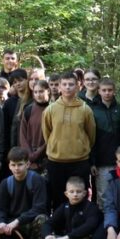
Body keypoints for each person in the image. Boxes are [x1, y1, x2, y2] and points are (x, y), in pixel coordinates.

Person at [43, 71, 97, 210]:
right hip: (56, 161)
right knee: (57, 197)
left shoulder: (85, 109)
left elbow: (91, 135)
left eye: (71, 84)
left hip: (79, 161)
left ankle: (80, 228)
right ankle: (59, 228)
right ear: (59, 87)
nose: (68, 87)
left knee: (80, 198)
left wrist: (80, 146)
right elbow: (47, 133)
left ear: (78, 86)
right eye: (64, 84)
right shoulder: (51, 109)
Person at [89, 77, 120, 209]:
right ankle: (104, 224)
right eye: (104, 90)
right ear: (99, 91)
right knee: (103, 194)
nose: (107, 93)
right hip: (101, 161)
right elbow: (91, 138)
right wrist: (92, 162)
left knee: (119, 192)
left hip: (119, 160)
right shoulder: (93, 111)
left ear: (114, 91)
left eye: (110, 90)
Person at [0, 68, 30, 170]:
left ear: (27, 80)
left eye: (21, 80)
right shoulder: (9, 103)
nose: (18, 84)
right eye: (15, 82)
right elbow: (5, 128)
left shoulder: (33, 101)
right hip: (13, 145)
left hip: (29, 145)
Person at [18, 78, 50, 172]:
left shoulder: (52, 109)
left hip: (47, 157)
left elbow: (53, 135)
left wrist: (39, 152)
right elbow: (22, 134)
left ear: (47, 91)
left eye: (41, 91)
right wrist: (29, 154)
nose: (38, 95)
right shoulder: (28, 110)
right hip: (30, 158)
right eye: (35, 92)